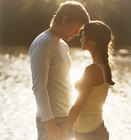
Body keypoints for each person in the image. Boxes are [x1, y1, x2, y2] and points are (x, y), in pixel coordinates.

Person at [29, 1, 90, 140]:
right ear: (65, 20)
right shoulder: (43, 43)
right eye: (77, 28)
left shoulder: (63, 45)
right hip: (52, 121)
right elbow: (39, 86)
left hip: (67, 118)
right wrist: (50, 126)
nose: (77, 34)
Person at [63, 21, 115, 140]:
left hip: (90, 134)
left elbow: (78, 105)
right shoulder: (103, 65)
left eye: (84, 35)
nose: (81, 39)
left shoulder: (93, 70)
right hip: (95, 130)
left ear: (93, 41)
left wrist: (64, 131)